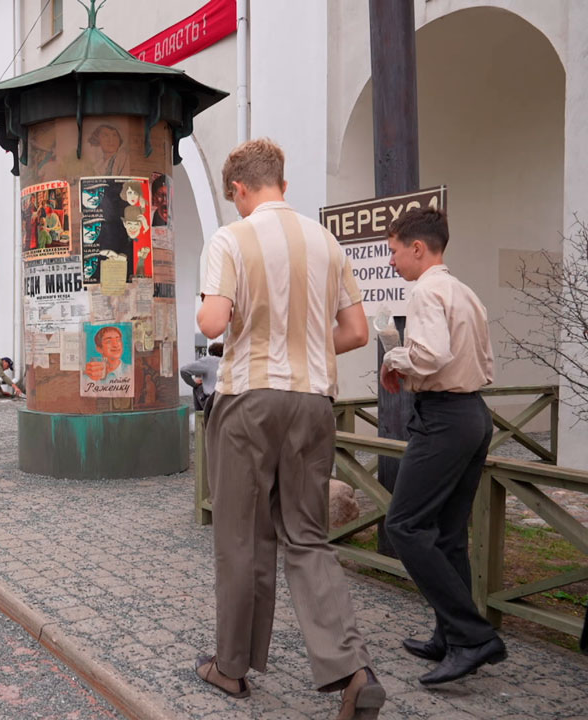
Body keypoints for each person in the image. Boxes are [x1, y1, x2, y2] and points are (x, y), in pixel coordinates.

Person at [195, 138, 382, 719]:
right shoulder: (326, 242)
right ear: (283, 183)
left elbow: (212, 321)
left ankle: (231, 668)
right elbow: (356, 332)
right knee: (308, 537)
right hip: (313, 403)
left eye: (235, 196)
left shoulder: (231, 238)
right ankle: (353, 671)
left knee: (241, 537)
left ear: (240, 190)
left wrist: (235, 324)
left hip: (249, 401)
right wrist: (299, 344)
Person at [378, 208, 506, 685]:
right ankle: (450, 635)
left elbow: (430, 355)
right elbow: (484, 360)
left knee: (405, 525)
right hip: (473, 413)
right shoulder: (464, 292)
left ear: (417, 248)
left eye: (393, 251)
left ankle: (473, 637)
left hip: (444, 418)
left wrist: (394, 356)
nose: (391, 262)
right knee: (447, 534)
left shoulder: (427, 289)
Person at [180, 342, 223, 414]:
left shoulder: (209, 361)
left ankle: (200, 415)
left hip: (211, 402)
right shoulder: (229, 361)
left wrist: (194, 384)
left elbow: (184, 370)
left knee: (197, 387)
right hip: (227, 401)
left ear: (211, 352)